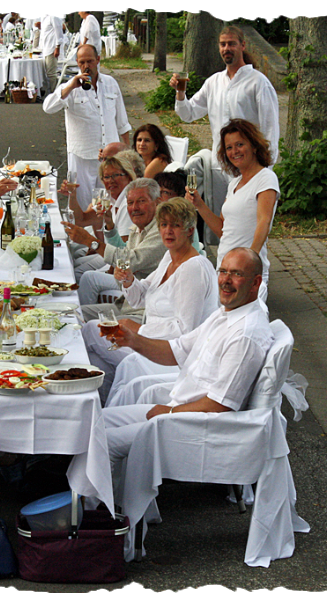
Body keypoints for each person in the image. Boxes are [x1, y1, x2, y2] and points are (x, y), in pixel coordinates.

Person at [101, 248, 274, 464]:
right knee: (98, 421)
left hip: (193, 427)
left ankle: (105, 486)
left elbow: (221, 405)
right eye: (223, 271)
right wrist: (133, 340)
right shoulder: (225, 314)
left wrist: (170, 412)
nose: (225, 280)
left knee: (103, 443)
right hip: (179, 409)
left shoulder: (245, 335)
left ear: (255, 283)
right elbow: (177, 350)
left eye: (236, 274)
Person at [81, 197, 218, 397]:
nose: (168, 231)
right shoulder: (170, 257)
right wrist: (128, 280)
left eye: (175, 225)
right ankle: (104, 402)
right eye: (163, 225)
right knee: (95, 357)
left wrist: (139, 329)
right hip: (151, 341)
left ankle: (108, 404)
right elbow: (142, 296)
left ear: (189, 230)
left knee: (91, 331)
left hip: (171, 354)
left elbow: (185, 330)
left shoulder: (193, 268)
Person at [171, 26, 280, 211]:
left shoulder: (258, 82)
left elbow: (270, 128)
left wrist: (265, 169)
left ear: (242, 45)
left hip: (249, 166)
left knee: (249, 219)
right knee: (223, 220)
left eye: (231, 44)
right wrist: (180, 93)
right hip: (219, 167)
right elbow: (188, 114)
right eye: (222, 44)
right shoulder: (214, 82)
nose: (226, 48)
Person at [187, 118, 278, 312]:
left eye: (239, 145)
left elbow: (264, 221)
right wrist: (199, 205)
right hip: (225, 270)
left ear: (254, 146)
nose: (234, 151)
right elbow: (223, 230)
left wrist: (250, 260)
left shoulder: (266, 178)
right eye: (229, 147)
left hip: (245, 273)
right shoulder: (234, 183)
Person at [43, 44, 131, 210]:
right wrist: (70, 86)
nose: (86, 66)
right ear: (77, 63)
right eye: (82, 62)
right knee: (82, 206)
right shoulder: (70, 87)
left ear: (98, 60)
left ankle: (106, 227)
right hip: (81, 157)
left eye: (90, 61)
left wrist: (127, 152)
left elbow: (122, 122)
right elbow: (48, 107)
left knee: (108, 205)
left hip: (109, 157)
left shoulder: (111, 83)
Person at [66, 178, 167, 316]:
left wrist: (90, 241)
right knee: (75, 314)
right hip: (127, 302)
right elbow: (124, 256)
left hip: (143, 310)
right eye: (130, 203)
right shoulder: (138, 227)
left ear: (157, 202)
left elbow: (130, 260)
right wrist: (109, 225)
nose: (135, 207)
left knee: (86, 280)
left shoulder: (162, 230)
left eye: (141, 201)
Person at [38, 0, 63, 90]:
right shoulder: (44, 15)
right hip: (45, 47)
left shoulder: (54, 15)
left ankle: (54, 92)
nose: (42, 7)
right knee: (46, 72)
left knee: (51, 73)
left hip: (51, 47)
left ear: (49, 4)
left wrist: (57, 47)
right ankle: (48, 91)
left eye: (44, 5)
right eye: (40, 5)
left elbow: (59, 32)